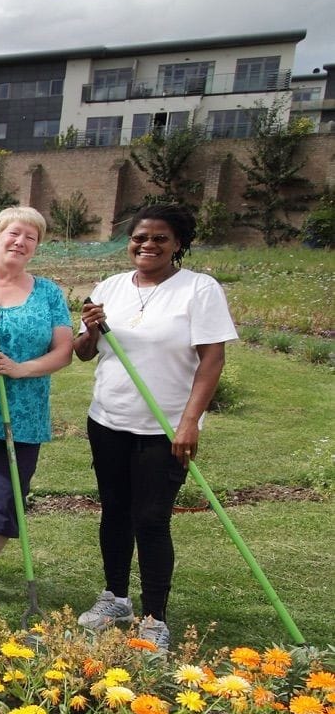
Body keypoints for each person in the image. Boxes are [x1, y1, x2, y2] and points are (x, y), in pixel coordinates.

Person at [74, 203, 236, 651]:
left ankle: (154, 616)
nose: (147, 245)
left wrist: (189, 422)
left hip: (164, 427)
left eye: (159, 238)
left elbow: (212, 359)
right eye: (140, 237)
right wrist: (87, 331)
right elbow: (86, 353)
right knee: (115, 511)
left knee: (151, 518)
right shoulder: (109, 286)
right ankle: (116, 598)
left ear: (178, 243)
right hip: (108, 418)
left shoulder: (198, 289)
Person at [0, 207, 74, 604]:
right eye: (13, 234)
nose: (20, 242)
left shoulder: (49, 293)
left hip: (21, 414)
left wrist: (22, 369)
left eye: (31, 238)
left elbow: (64, 352)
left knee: (6, 494)